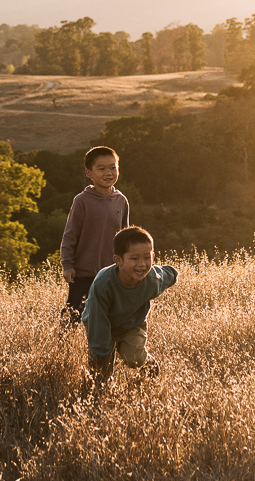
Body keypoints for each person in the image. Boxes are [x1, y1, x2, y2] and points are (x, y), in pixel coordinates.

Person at [80, 225, 177, 380]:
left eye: (146, 257)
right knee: (100, 373)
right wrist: (100, 355)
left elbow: (167, 275)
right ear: (118, 260)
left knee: (134, 358)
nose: (142, 264)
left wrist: (173, 274)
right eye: (134, 258)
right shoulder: (104, 284)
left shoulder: (152, 280)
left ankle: (151, 367)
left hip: (133, 324)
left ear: (152, 257)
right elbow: (97, 321)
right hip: (102, 324)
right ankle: (99, 394)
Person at [59, 145, 130, 324]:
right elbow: (70, 235)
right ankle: (61, 348)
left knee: (109, 317)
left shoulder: (121, 200)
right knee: (73, 314)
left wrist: (127, 265)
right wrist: (67, 264)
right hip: (83, 273)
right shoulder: (82, 200)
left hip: (112, 273)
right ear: (89, 173)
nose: (108, 172)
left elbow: (125, 239)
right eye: (101, 168)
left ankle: (101, 350)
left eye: (113, 167)